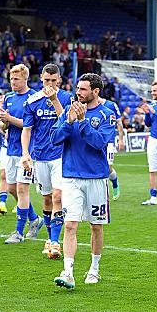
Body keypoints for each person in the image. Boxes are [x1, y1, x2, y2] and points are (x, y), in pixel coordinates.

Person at [52, 73, 116, 289]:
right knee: (70, 224)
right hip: (71, 177)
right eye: (77, 88)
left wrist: (82, 122)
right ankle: (67, 271)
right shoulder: (68, 112)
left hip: (96, 178)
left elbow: (98, 143)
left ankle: (94, 269)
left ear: (95, 91)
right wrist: (69, 121)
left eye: (83, 89)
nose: (78, 92)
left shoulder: (107, 115)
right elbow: (55, 139)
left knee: (96, 226)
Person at [21, 63, 73, 258]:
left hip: (61, 154)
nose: (50, 84)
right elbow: (27, 131)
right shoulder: (32, 101)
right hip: (40, 156)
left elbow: (67, 121)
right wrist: (25, 153)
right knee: (47, 198)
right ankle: (50, 237)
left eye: (53, 80)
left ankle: (54, 241)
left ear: (59, 79)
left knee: (58, 197)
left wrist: (54, 100)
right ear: (41, 78)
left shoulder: (67, 98)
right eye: (46, 80)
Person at [0, 64, 40, 244]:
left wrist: (9, 119)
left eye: (16, 79)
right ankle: (35, 219)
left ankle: (19, 232)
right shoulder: (8, 98)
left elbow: (31, 125)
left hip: (27, 151)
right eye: (11, 79)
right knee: (12, 188)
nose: (13, 82)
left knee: (22, 189)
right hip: (10, 148)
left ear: (25, 79)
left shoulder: (34, 97)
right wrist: (1, 121)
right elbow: (5, 126)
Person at [98, 95, 125, 200]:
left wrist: (121, 139)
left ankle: (114, 182)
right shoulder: (87, 105)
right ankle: (103, 193)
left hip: (109, 141)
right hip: (96, 141)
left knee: (108, 168)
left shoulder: (111, 105)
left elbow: (119, 123)